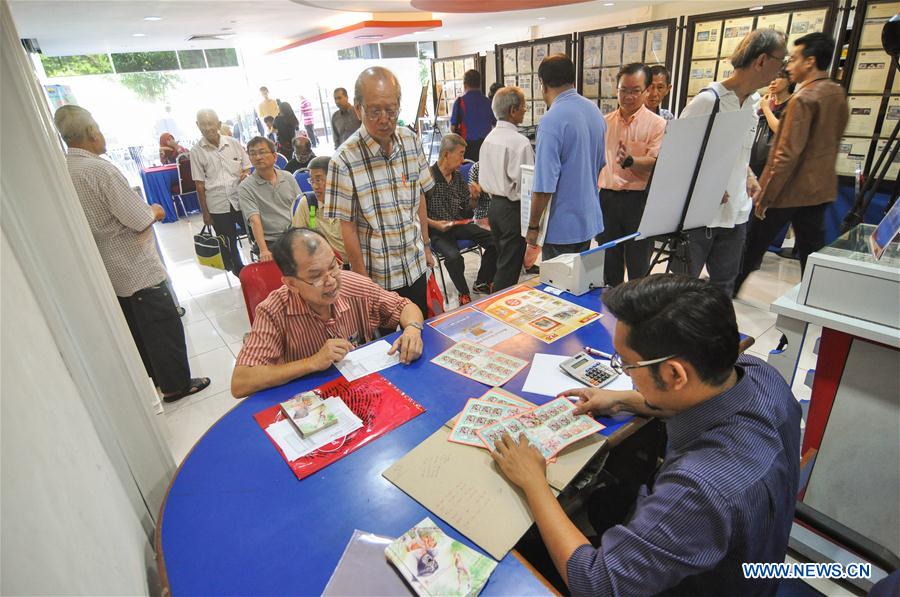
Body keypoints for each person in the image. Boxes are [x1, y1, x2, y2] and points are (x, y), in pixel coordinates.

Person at [490, 274, 800, 596]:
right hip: (755, 557)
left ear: (674, 374)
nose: (626, 374)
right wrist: (624, 399)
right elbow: (697, 400)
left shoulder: (699, 489)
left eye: (626, 365)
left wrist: (534, 483)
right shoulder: (760, 374)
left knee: (527, 549)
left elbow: (596, 585)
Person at [54, 105, 210, 403]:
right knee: (162, 326)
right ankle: (176, 385)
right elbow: (138, 218)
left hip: (108, 268)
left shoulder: (64, 168)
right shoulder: (100, 169)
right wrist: (155, 209)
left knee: (140, 331)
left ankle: (156, 380)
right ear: (91, 132)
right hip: (135, 265)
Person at [231, 228, 425, 398]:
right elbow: (241, 382)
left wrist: (413, 330)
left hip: (363, 387)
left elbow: (404, 306)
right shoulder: (273, 310)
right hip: (310, 400)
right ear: (291, 283)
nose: (331, 281)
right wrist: (312, 362)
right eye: (316, 276)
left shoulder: (353, 286)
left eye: (333, 266)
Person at [671, 29, 786, 297]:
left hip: (736, 213)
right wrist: (707, 186)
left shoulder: (754, 103)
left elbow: (737, 152)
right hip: (701, 217)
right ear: (761, 61)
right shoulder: (708, 101)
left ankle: (711, 337)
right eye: (780, 62)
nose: (782, 70)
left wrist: (748, 176)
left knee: (723, 287)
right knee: (680, 289)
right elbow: (675, 158)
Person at [736, 33, 849, 295]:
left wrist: (765, 194)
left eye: (795, 59)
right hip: (818, 189)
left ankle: (729, 286)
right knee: (811, 248)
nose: (788, 66)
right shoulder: (836, 92)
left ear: (810, 61)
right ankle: (816, 295)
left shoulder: (803, 99)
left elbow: (786, 153)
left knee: (753, 241)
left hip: (789, 190)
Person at [324, 66, 436, 317]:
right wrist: (362, 282)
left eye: (391, 110)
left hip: (414, 264)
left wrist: (426, 246)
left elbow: (419, 197)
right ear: (357, 108)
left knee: (421, 334)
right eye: (375, 111)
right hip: (377, 278)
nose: (384, 119)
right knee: (385, 349)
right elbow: (347, 227)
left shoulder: (410, 141)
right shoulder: (343, 161)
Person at [528, 54, 606, 261]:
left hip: (561, 226)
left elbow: (544, 185)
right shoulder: (594, 111)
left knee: (557, 290)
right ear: (573, 79)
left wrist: (533, 226)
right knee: (580, 285)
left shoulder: (551, 120)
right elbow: (600, 164)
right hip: (588, 218)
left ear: (542, 84)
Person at [596, 63, 666, 286]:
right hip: (607, 198)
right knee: (609, 259)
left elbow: (655, 162)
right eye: (623, 90)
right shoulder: (604, 122)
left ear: (646, 91)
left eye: (635, 90)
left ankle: (636, 309)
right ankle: (611, 304)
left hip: (639, 201)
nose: (628, 96)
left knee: (638, 262)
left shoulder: (658, 124)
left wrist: (631, 161)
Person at [425, 134, 497, 304]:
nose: (463, 159)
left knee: (495, 240)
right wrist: (435, 224)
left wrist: (473, 199)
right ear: (446, 155)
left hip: (456, 224)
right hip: (436, 230)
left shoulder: (457, 178)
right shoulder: (427, 178)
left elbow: (466, 213)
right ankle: (463, 292)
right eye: (461, 153)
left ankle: (482, 282)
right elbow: (415, 214)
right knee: (454, 257)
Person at [478, 86, 535, 291]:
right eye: (523, 107)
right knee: (509, 268)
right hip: (512, 209)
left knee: (503, 260)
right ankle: (499, 308)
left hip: (494, 207)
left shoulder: (489, 138)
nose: (525, 110)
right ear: (513, 110)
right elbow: (528, 184)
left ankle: (498, 301)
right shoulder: (519, 143)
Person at [191, 108, 252, 278]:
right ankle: (239, 273)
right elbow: (199, 184)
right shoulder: (196, 151)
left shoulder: (233, 143)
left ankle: (260, 264)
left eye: (210, 123)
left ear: (218, 124)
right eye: (203, 124)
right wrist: (205, 213)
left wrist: (245, 174)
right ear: (197, 126)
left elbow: (247, 166)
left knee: (253, 232)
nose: (208, 128)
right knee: (228, 243)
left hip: (240, 199)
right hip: (217, 204)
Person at [238, 136, 301, 262]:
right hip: (271, 241)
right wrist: (263, 250)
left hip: (296, 235)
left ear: (275, 156)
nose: (258, 157)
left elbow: (300, 207)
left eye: (262, 152)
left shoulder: (288, 177)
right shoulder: (245, 187)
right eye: (253, 153)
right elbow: (254, 220)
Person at [292, 156, 347, 263]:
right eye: (311, 181)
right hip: (322, 267)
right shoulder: (308, 204)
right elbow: (297, 241)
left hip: (352, 265)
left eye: (318, 180)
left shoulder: (348, 203)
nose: (314, 186)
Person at [749, 66, 796, 178]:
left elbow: (780, 130)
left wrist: (766, 108)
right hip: (755, 161)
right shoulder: (765, 101)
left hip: (774, 163)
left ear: (790, 81)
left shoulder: (792, 104)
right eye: (772, 77)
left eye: (778, 77)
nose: (773, 81)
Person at [450, 69, 496, 161]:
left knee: (468, 173)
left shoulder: (459, 102)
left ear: (465, 85)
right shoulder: (489, 103)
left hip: (465, 147)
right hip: (485, 145)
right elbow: (496, 124)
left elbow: (453, 128)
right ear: (480, 84)